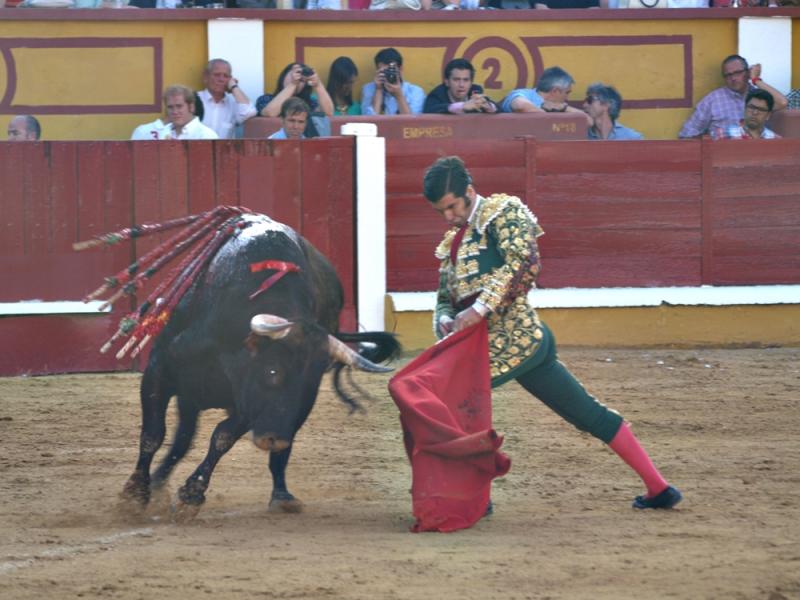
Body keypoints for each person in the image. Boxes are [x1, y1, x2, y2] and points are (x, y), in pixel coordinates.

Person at [424, 156, 683, 510]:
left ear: (469, 191)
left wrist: (479, 309)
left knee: (447, 403)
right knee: (585, 413)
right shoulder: (453, 242)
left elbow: (523, 262)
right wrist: (443, 318)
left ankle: (476, 496)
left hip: (514, 339)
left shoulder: (503, 212)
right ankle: (659, 488)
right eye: (441, 212)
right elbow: (445, 296)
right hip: (507, 347)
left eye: (451, 207)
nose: (448, 217)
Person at [679, 55, 788, 139]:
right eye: (728, 75)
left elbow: (782, 103)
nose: (733, 78)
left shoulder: (759, 98)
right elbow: (687, 135)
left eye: (738, 72)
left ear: (747, 72)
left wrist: (756, 80)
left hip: (757, 155)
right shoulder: (712, 100)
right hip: (721, 158)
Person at [197, 59, 257, 139]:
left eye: (226, 76)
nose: (221, 79)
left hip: (224, 151)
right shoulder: (194, 99)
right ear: (206, 76)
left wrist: (233, 87)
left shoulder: (233, 104)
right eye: (217, 75)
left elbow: (249, 112)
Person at [360, 48, 425, 116]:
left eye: (391, 70)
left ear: (400, 69)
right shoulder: (368, 89)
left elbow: (412, 124)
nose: (388, 75)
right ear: (377, 71)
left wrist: (399, 96)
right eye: (384, 71)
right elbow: (369, 122)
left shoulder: (415, 92)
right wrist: (378, 90)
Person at [500, 66, 586, 117]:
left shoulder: (560, 106)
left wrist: (564, 108)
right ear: (555, 91)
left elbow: (588, 121)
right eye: (567, 92)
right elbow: (520, 105)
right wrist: (544, 108)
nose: (568, 98)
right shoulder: (524, 94)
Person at [256, 62, 334, 118]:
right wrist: (293, 84)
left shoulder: (310, 103)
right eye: (292, 75)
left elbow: (328, 113)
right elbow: (270, 113)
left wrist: (318, 85)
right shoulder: (265, 99)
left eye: (301, 80)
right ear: (283, 77)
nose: (296, 79)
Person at [423, 58, 497, 115]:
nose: (461, 85)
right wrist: (462, 106)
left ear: (471, 83)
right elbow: (428, 111)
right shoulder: (437, 94)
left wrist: (489, 107)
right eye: (456, 79)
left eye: (466, 80)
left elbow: (501, 111)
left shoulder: (476, 91)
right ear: (447, 82)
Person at [712, 89, 781, 140]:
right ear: (744, 108)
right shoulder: (723, 134)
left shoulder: (775, 139)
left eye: (761, 109)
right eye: (751, 107)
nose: (755, 112)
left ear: (768, 115)